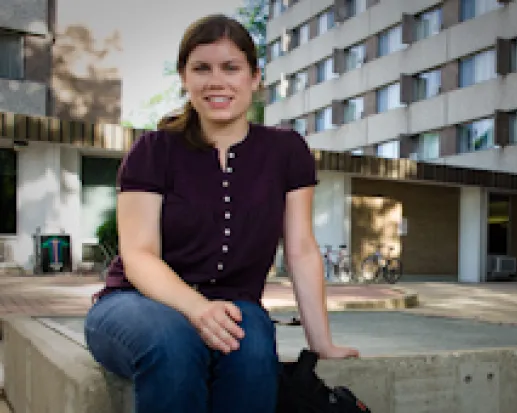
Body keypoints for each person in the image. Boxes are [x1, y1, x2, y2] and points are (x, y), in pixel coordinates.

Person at [83, 13, 360, 413]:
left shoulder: (286, 152)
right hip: (135, 304)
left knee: (252, 351)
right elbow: (139, 255)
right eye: (202, 69)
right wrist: (197, 309)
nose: (217, 81)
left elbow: (300, 249)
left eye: (231, 68)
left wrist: (322, 343)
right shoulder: (153, 151)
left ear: (255, 77)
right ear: (184, 78)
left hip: (235, 303)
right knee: (174, 342)